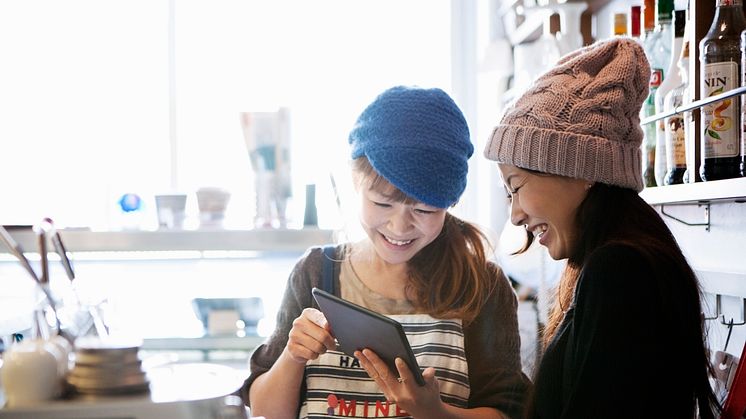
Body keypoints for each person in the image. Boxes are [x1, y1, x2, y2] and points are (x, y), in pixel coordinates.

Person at [243, 86, 531, 418]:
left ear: (449, 205)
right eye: (382, 203)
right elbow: (265, 409)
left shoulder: (481, 284)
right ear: (355, 182)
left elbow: (508, 411)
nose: (399, 226)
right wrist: (292, 356)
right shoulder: (315, 273)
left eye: (423, 211)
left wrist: (434, 412)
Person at [483, 37, 720, 418]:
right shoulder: (624, 258)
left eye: (516, 187)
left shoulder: (619, 271)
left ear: (579, 171)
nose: (515, 216)